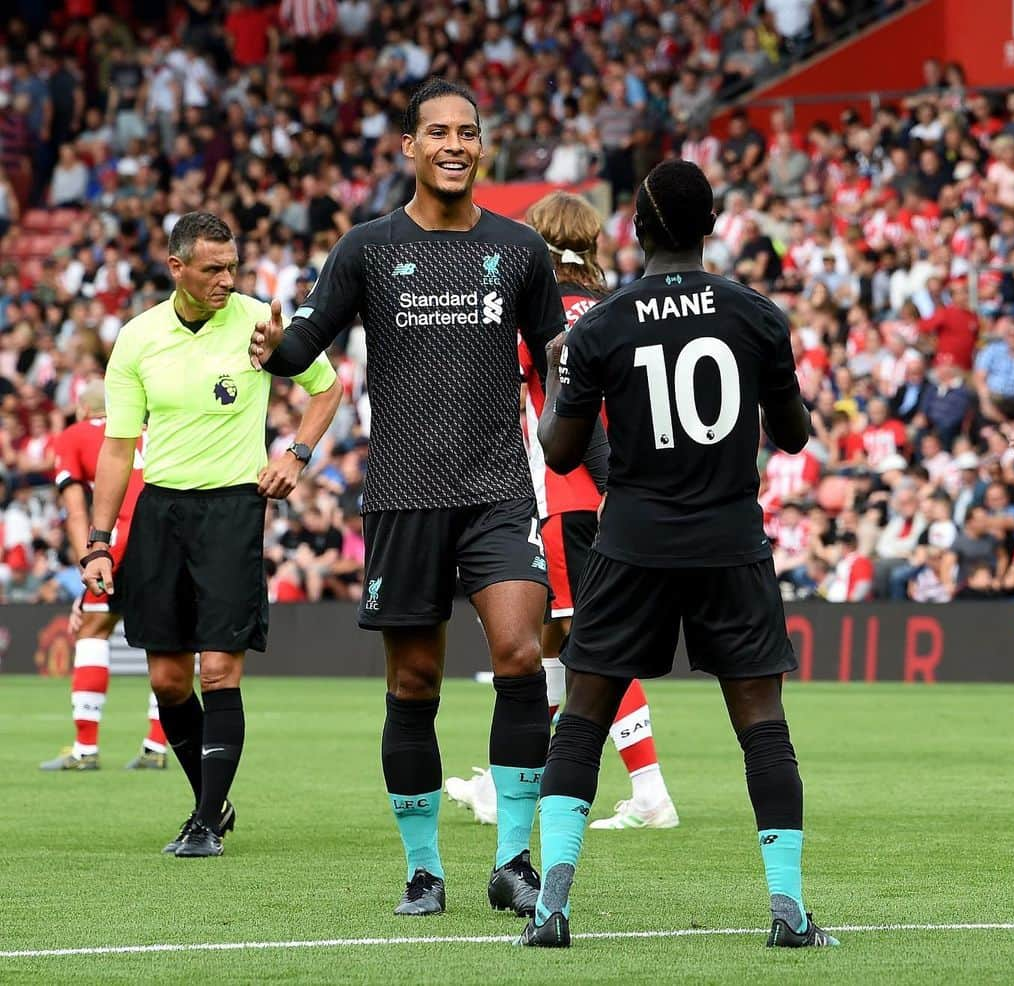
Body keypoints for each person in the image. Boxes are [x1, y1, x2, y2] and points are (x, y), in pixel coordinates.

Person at [248, 79, 608, 917]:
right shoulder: (367, 246)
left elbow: (561, 367)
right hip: (405, 495)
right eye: (437, 132)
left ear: (482, 148)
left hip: (495, 490)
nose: (454, 144)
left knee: (523, 658)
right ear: (407, 147)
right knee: (414, 686)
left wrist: (604, 464)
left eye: (468, 133)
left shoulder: (518, 250)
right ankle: (423, 869)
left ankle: (514, 862)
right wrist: (273, 347)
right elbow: (307, 337)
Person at [518, 160, 836, 948]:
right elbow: (794, 436)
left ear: (634, 226)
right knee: (762, 724)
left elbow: (561, 453)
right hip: (730, 539)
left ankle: (551, 909)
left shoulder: (600, 325)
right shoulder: (756, 315)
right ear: (715, 223)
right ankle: (787, 913)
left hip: (632, 541)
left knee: (583, 719)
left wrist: (560, 371)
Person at [81, 212, 342, 857]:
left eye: (233, 267)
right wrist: (97, 540)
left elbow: (327, 390)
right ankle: (213, 804)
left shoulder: (261, 322)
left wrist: (296, 455)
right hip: (161, 512)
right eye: (213, 269)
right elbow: (118, 448)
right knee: (169, 681)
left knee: (219, 671)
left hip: (232, 509)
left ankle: (202, 824)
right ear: (177, 268)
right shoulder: (138, 338)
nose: (228, 279)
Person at [445, 191, 679, 832]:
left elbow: (497, 396)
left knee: (588, 646)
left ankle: (651, 789)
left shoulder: (534, 317)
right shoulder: (621, 310)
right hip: (622, 493)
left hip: (564, 494)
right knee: (549, 642)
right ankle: (508, 781)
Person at [39, 380, 168, 772]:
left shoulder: (74, 436)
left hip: (120, 542)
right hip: (170, 537)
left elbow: (77, 511)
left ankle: (85, 748)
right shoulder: (151, 429)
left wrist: (88, 563)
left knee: (93, 629)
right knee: (166, 641)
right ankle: (157, 746)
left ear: (81, 410)